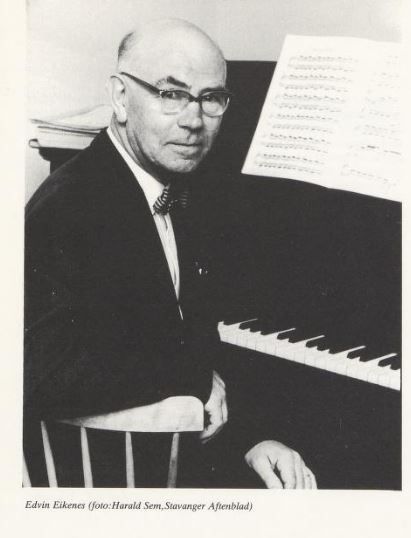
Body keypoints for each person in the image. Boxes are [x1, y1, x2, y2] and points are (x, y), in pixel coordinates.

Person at [24, 18, 316, 489]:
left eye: (210, 97)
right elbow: (38, 369)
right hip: (110, 486)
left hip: (172, 451)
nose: (193, 120)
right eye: (171, 93)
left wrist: (253, 438)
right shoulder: (70, 207)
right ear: (120, 98)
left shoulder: (173, 185)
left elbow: (195, 338)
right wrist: (191, 374)